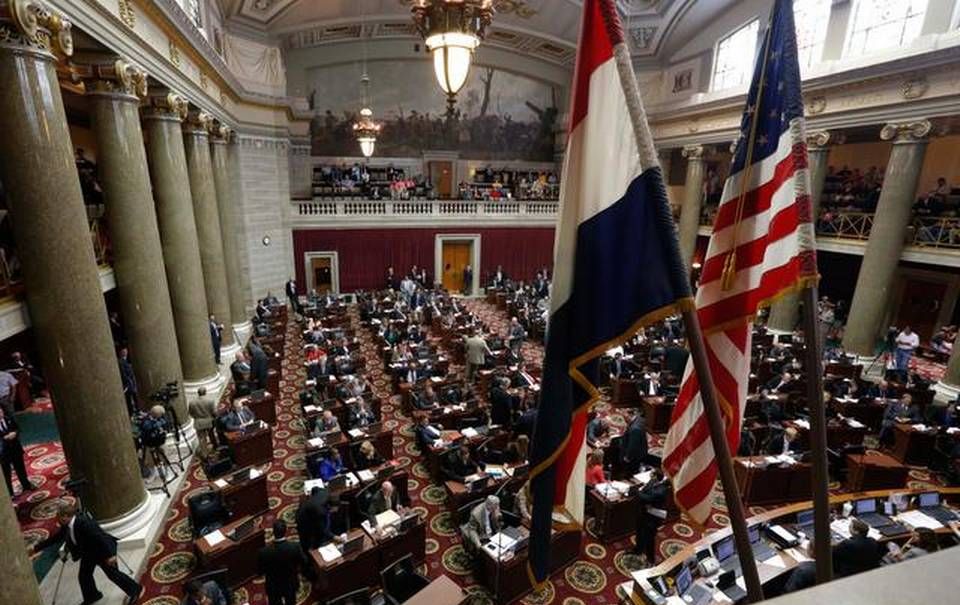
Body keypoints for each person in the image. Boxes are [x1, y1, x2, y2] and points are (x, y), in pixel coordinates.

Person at [30, 500, 142, 603]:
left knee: (113, 575)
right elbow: (56, 538)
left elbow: (101, 538)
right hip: (88, 553)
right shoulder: (67, 526)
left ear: (65, 517)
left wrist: (111, 555)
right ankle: (92, 596)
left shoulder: (84, 523)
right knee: (84, 576)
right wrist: (36, 548)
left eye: (58, 518)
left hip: (102, 552)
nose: (57, 521)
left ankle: (135, 589)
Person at [257, 520, 302, 605]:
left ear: (273, 532)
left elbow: (260, 571)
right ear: (286, 530)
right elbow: (303, 562)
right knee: (291, 602)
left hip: (273, 586)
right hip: (290, 583)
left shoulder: (263, 552)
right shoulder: (295, 547)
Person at [631, 469, 669, 564]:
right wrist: (642, 496)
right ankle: (638, 550)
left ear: (655, 476)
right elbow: (644, 492)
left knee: (649, 539)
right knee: (639, 532)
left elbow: (647, 498)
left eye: (652, 474)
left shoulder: (661, 490)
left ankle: (651, 560)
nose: (650, 475)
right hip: (643, 513)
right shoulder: (653, 481)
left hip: (652, 519)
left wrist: (636, 492)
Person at [0, 405, 33, 496]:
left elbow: (17, 428)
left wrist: (15, 433)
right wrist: (4, 438)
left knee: (20, 469)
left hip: (15, 449)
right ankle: (10, 493)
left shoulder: (9, 419)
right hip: (3, 453)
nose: (0, 414)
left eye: (1, 411)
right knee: (6, 474)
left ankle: (26, 485)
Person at [295, 486, 332, 555]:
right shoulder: (320, 511)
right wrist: (333, 537)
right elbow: (321, 529)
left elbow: (315, 489)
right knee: (306, 540)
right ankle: (307, 557)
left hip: (308, 508)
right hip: (302, 520)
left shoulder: (325, 492)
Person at [189, 387, 219, 454]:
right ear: (205, 392)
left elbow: (190, 413)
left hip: (198, 423)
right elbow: (214, 412)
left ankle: (205, 454)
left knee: (202, 440)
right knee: (212, 435)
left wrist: (196, 418)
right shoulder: (210, 401)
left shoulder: (192, 403)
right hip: (209, 421)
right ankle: (216, 447)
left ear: (198, 393)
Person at [621, 410, 649, 474]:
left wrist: (627, 457)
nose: (624, 420)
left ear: (630, 415)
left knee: (631, 471)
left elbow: (632, 445)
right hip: (642, 449)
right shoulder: (639, 419)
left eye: (625, 417)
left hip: (635, 456)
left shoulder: (634, 429)